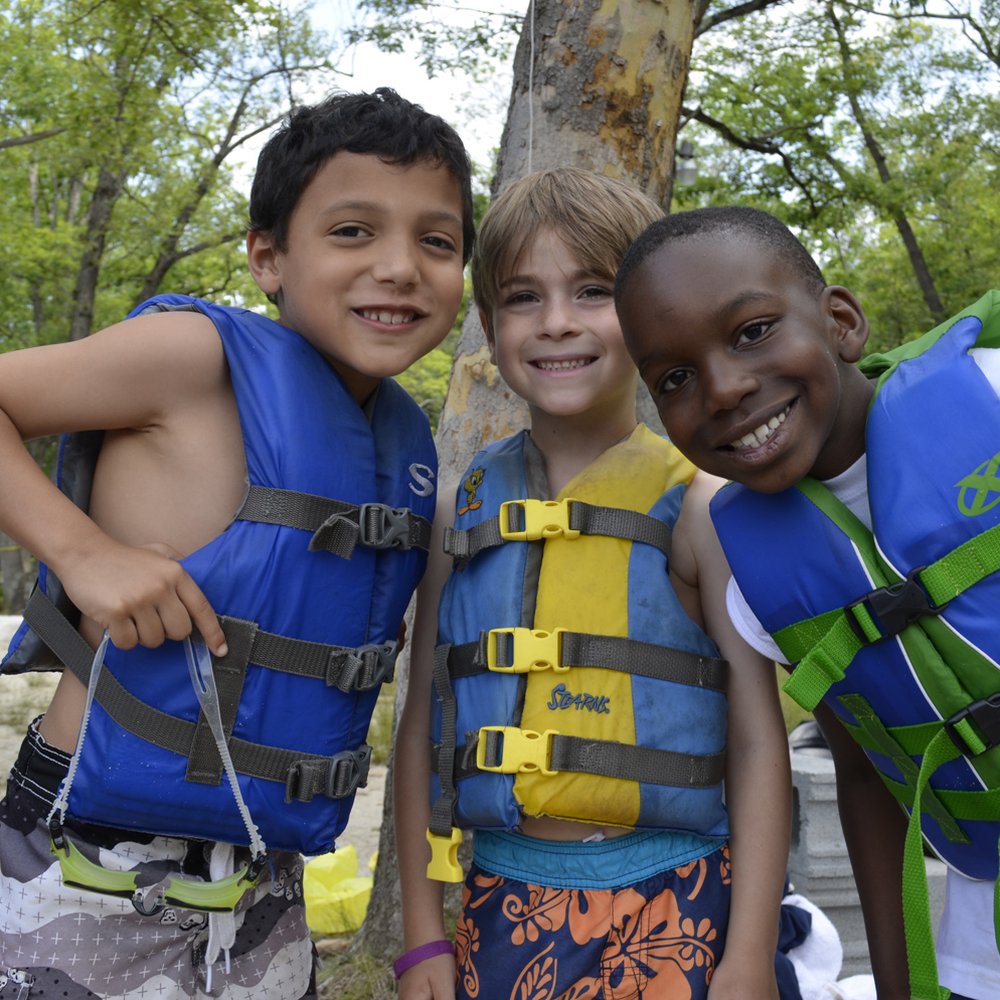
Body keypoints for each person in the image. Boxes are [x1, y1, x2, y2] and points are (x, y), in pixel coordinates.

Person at [0, 87, 473, 999]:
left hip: (264, 884)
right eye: (352, 232)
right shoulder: (193, 358)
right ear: (267, 256)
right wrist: (81, 551)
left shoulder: (406, 456)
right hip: (83, 856)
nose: (400, 267)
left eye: (438, 241)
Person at [393, 170, 791, 1000]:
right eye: (524, 297)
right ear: (486, 325)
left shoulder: (700, 506)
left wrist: (748, 954)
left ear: (648, 318)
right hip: (500, 909)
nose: (558, 323)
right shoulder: (457, 515)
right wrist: (424, 937)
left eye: (593, 291)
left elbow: (759, 743)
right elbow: (419, 724)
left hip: (681, 909)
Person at [613, 204, 1000, 1000]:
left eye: (752, 330)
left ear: (842, 322)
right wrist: (898, 987)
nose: (724, 389)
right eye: (676, 379)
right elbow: (865, 771)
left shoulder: (992, 393)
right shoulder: (760, 583)